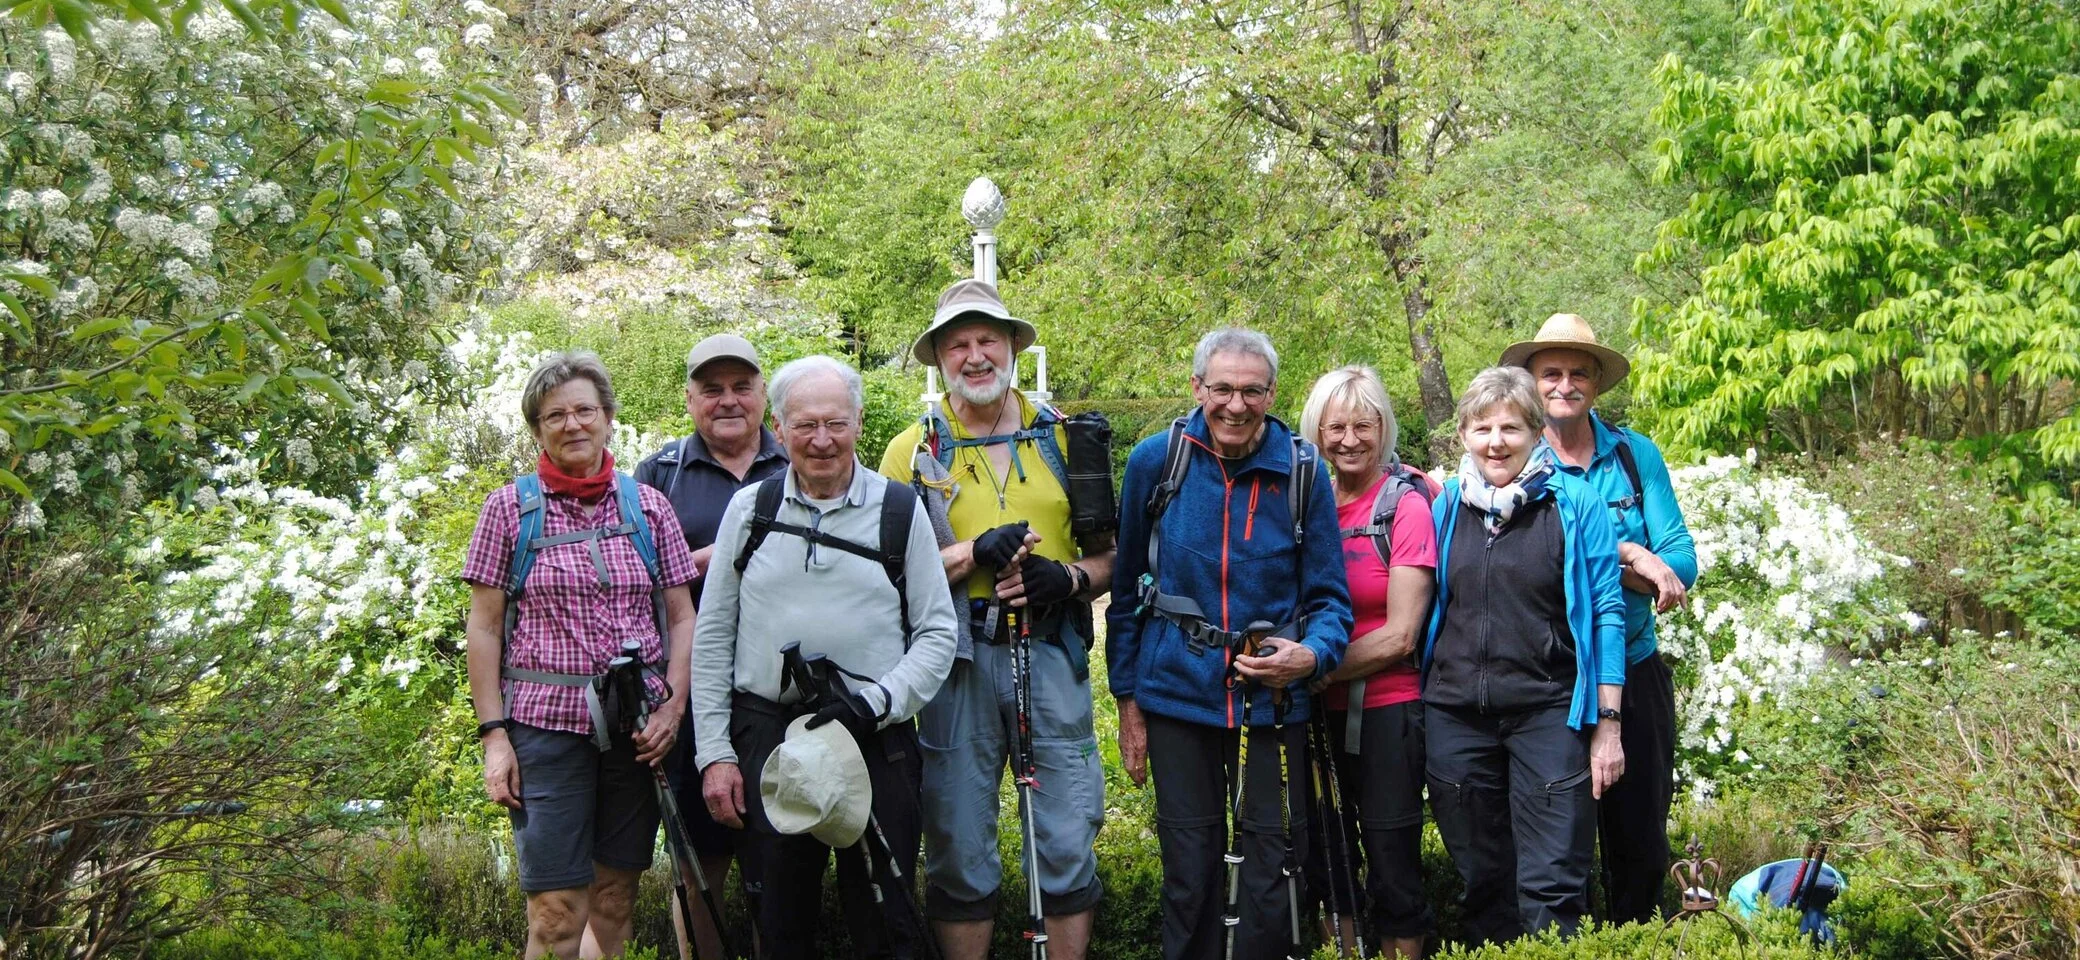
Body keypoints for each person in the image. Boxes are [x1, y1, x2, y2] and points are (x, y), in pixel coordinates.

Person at [689, 355, 958, 960]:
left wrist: (878, 704)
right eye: (804, 425)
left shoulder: (898, 509)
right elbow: (712, 638)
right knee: (780, 925)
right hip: (768, 736)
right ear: (777, 429)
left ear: (859, 422)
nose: (821, 440)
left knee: (886, 922)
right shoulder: (751, 511)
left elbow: (938, 634)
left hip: (875, 738)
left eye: (836, 423)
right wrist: (715, 755)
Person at [877, 280, 1114, 960]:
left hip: (1051, 652)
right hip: (953, 664)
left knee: (1068, 831)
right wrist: (970, 554)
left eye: (988, 340)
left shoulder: (1068, 439)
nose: (975, 356)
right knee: (955, 839)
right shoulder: (911, 451)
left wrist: (1064, 579)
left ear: (1012, 346)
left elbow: (1111, 561)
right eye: (958, 344)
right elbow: (892, 571)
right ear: (940, 358)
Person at [1109, 327, 1353, 960]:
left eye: (1252, 391)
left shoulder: (1302, 472)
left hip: (1271, 706)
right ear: (1198, 388)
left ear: (1272, 393)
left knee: (1273, 872)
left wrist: (1312, 656)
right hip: (1176, 698)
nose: (1236, 405)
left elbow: (1330, 600)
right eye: (1222, 389)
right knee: (1190, 872)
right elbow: (1130, 594)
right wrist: (1127, 703)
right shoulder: (1154, 463)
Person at [461, 351, 700, 960]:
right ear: (537, 429)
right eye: (555, 416)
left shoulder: (648, 506)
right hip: (544, 729)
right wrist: (494, 736)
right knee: (556, 911)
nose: (573, 426)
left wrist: (671, 712)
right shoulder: (508, 509)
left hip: (638, 728)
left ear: (608, 417)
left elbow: (680, 616)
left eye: (584, 411)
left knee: (616, 896)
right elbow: (484, 629)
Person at [1501, 313, 1698, 925]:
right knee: (1558, 847)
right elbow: (1535, 564)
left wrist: (1611, 560)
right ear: (1529, 382)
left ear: (1596, 383)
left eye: (1578, 373)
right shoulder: (1513, 457)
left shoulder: (1634, 455)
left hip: (1634, 667)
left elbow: (1682, 564)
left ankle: (1635, 937)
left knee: (1640, 837)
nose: (1564, 384)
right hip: (1550, 679)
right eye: (1550, 372)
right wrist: (1628, 552)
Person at [1421, 365, 1627, 944]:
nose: (1496, 442)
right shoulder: (1444, 508)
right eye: (1482, 427)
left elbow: (1608, 612)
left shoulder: (1574, 503)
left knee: (1552, 885)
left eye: (1510, 428)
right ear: (1462, 433)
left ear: (1537, 432)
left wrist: (1607, 724)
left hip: (1549, 714)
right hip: (1457, 717)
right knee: (1482, 881)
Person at [630, 333, 789, 960]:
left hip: (784, 690)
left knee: (781, 855)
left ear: (763, 394)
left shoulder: (799, 459)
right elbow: (631, 582)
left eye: (741, 386)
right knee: (700, 860)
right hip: (694, 695)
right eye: (711, 388)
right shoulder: (659, 474)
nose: (728, 400)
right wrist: (704, 562)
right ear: (690, 398)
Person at [1297, 365, 1439, 958]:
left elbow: (1402, 635)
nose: (1350, 439)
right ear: (1316, 431)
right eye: (1336, 427)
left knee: (1391, 864)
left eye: (1364, 425)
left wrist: (1313, 668)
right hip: (1309, 716)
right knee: (1327, 861)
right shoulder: (1308, 502)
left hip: (1386, 713)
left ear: (1384, 428)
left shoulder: (1404, 506)